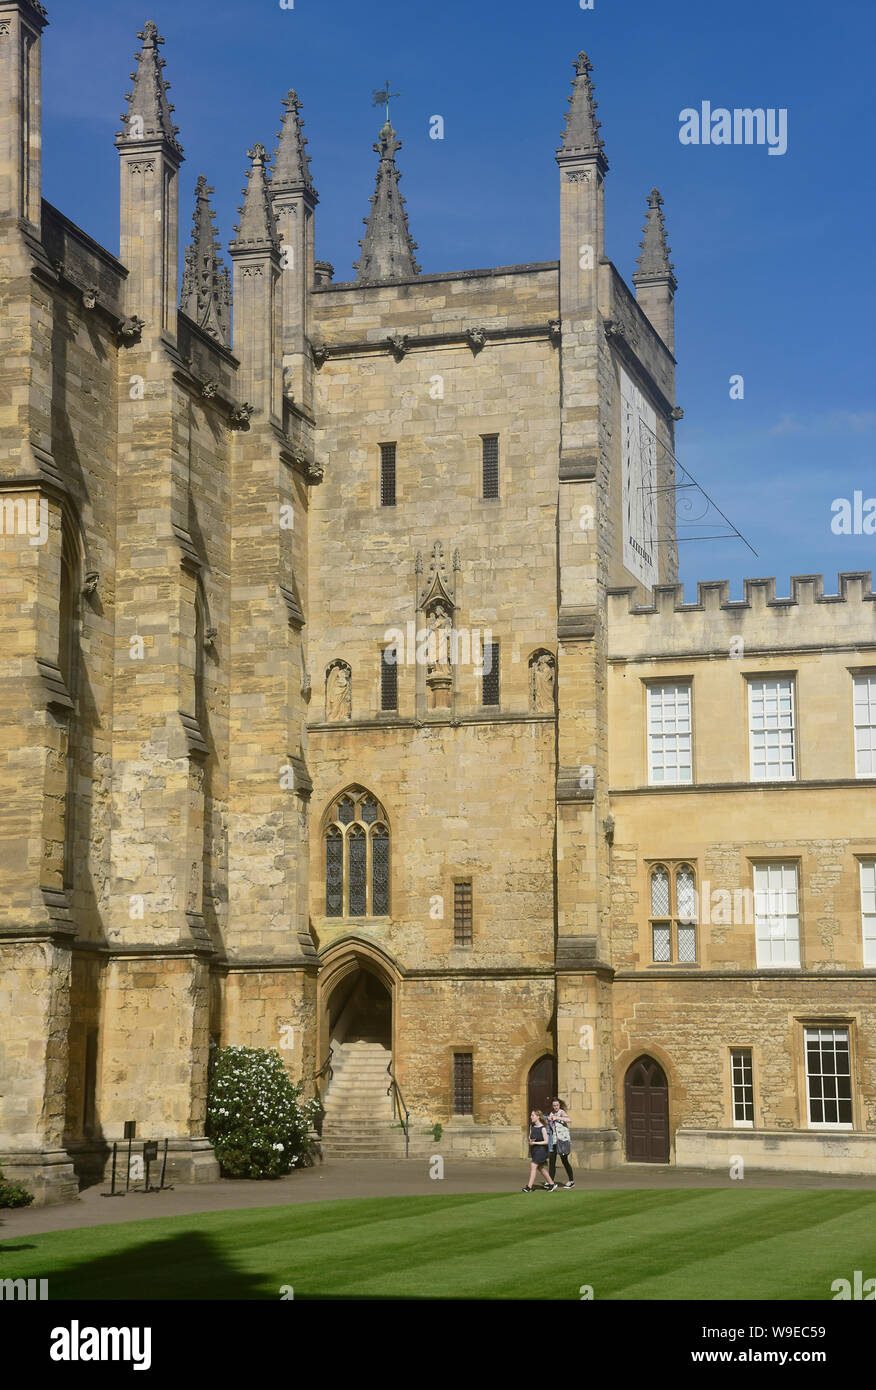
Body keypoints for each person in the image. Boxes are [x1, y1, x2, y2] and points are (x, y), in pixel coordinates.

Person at [523, 1110, 558, 1192]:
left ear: (538, 1117)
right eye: (531, 1115)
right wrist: (531, 1140)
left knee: (533, 1165)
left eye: (532, 1115)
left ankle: (529, 1187)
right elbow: (530, 1136)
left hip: (541, 1150)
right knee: (540, 1168)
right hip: (534, 1150)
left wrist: (535, 1142)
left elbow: (546, 1141)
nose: (531, 1117)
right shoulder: (532, 1126)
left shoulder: (543, 1128)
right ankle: (552, 1184)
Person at [546, 1098, 575, 1188]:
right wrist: (549, 1121)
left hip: (562, 1140)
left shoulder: (561, 1112)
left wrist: (557, 1117)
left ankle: (571, 1181)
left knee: (564, 1161)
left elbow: (569, 1120)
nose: (555, 1107)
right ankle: (551, 1181)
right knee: (552, 1162)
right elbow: (550, 1126)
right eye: (554, 1105)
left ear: (559, 1105)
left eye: (557, 1105)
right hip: (554, 1141)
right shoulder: (551, 1113)